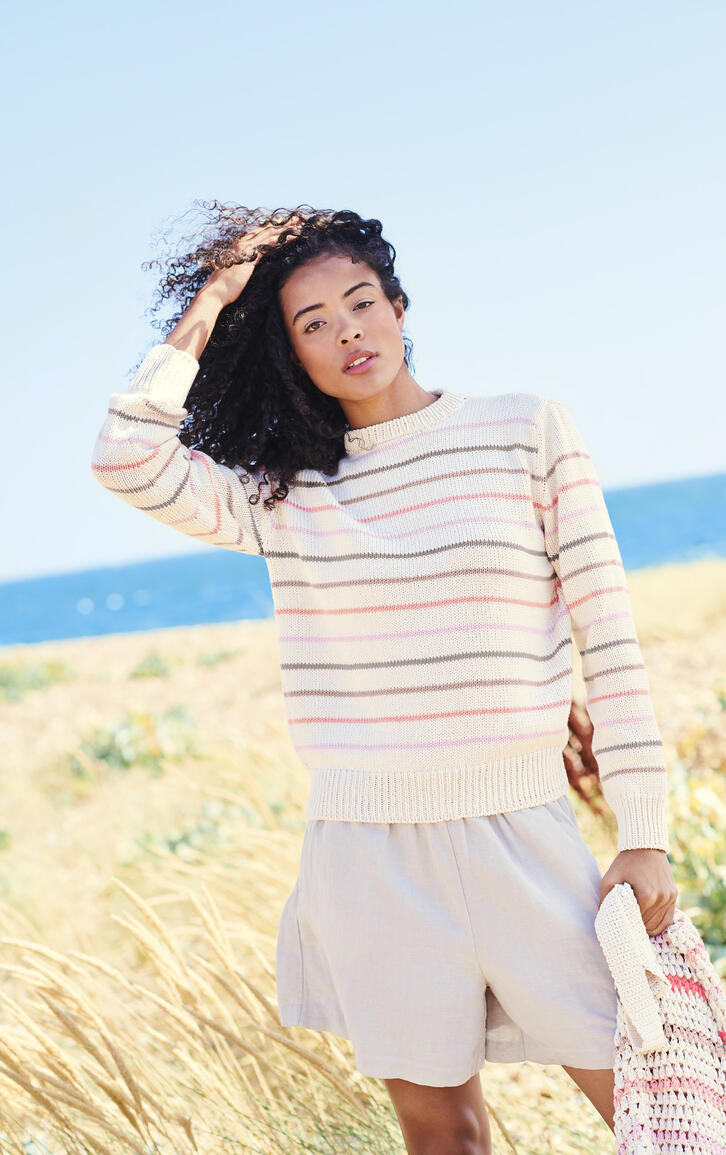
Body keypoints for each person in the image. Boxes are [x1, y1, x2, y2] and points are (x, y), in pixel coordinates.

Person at [91, 204, 678, 1153]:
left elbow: (610, 636)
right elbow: (126, 456)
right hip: (368, 855)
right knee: (443, 1134)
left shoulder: (525, 429)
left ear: (400, 306)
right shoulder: (284, 491)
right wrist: (212, 300)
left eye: (360, 303)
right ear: (290, 355)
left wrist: (644, 831)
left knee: (660, 1111)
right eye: (310, 323)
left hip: (524, 834)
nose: (346, 332)